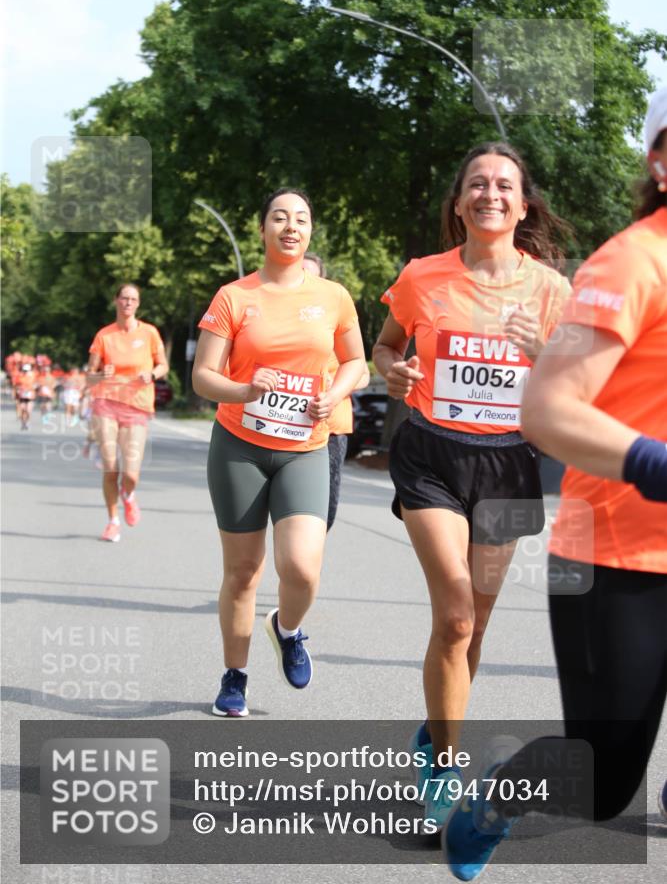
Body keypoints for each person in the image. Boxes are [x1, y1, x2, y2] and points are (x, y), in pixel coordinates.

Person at [444, 91, 667, 879]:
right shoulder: (632, 262)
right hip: (617, 554)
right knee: (600, 782)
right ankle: (498, 794)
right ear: (659, 161)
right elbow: (546, 408)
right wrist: (655, 465)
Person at [372, 142, 572, 830]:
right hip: (431, 455)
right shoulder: (422, 276)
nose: (490, 193)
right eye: (477, 184)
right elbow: (386, 345)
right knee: (455, 615)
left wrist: (543, 352)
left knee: (475, 625)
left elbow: (581, 380)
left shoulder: (550, 290)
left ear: (523, 206)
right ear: (458, 204)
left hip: (508, 464)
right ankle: (444, 767)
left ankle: (437, 728)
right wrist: (392, 371)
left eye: (504, 186)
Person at [193, 188, 366, 718]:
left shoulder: (334, 296)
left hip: (305, 449)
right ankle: (235, 677)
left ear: (310, 231)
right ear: (263, 228)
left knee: (302, 569)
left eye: (301, 219)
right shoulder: (234, 296)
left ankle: (287, 629)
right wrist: (245, 390)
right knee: (243, 571)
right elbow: (203, 377)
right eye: (280, 217)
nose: (291, 226)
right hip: (239, 448)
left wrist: (334, 395)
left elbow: (356, 362)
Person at [87, 284, 169, 543]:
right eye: (124, 298)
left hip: (137, 405)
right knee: (111, 469)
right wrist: (101, 374)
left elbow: (163, 365)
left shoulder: (149, 333)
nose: (128, 303)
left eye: (133, 299)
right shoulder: (104, 336)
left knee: (131, 474)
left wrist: (151, 375)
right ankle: (113, 521)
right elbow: (89, 377)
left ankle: (128, 494)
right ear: (116, 301)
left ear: (138, 303)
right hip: (106, 402)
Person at [302, 252, 371, 530]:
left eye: (312, 275)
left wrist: (334, 386)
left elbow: (362, 373)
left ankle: (307, 554)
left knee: (324, 511)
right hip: (283, 427)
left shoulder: (336, 320)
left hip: (331, 430)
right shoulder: (274, 320)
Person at [15, 362, 37, 430]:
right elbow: (16, 385)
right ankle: (23, 423)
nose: (25, 372)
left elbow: (37, 384)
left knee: (28, 410)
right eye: (24, 370)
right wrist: (18, 390)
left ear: (29, 370)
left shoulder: (33, 376)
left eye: (26, 370)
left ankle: (27, 422)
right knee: (23, 409)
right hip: (22, 396)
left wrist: (33, 388)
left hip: (30, 396)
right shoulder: (20, 377)